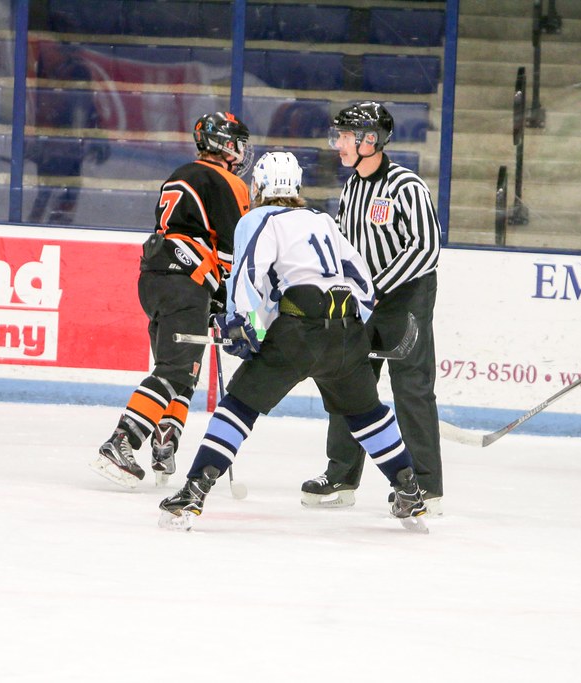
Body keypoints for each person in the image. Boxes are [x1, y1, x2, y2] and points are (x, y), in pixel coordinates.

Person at [157, 151, 429, 533]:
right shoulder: (322, 220)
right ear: (297, 187)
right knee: (367, 414)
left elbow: (250, 274)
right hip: (345, 330)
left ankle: (192, 493)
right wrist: (359, 329)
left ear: (260, 186)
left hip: (297, 334)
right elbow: (361, 279)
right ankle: (410, 492)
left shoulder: (257, 218)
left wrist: (241, 324)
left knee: (238, 408)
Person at [90, 112, 252, 488]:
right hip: (186, 282)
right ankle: (121, 442)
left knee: (181, 368)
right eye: (239, 144)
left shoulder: (179, 174)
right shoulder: (226, 181)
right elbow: (232, 250)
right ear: (225, 145)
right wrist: (228, 298)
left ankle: (165, 442)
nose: (242, 152)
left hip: (155, 278)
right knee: (175, 370)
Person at [301, 101, 444, 514]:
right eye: (339, 136)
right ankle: (341, 475)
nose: (339, 144)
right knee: (349, 381)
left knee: (411, 388)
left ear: (371, 140)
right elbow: (346, 243)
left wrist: (377, 286)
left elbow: (426, 248)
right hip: (365, 300)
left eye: (346, 136)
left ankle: (425, 485)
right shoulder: (352, 187)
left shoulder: (406, 186)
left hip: (407, 299)